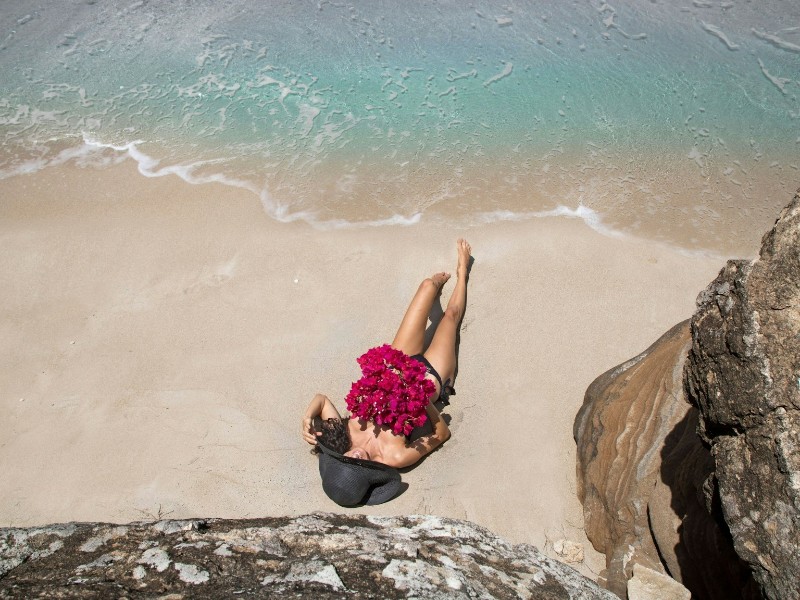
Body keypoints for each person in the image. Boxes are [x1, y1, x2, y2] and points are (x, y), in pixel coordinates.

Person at [301, 239, 472, 506]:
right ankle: (463, 272)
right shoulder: (395, 458)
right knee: (449, 316)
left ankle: (437, 286)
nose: (355, 457)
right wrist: (425, 402)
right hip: (429, 379)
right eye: (356, 467)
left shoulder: (344, 435)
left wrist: (307, 416)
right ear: (368, 476)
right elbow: (440, 435)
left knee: (426, 286)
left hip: (397, 361)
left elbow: (321, 400)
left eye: (347, 460)